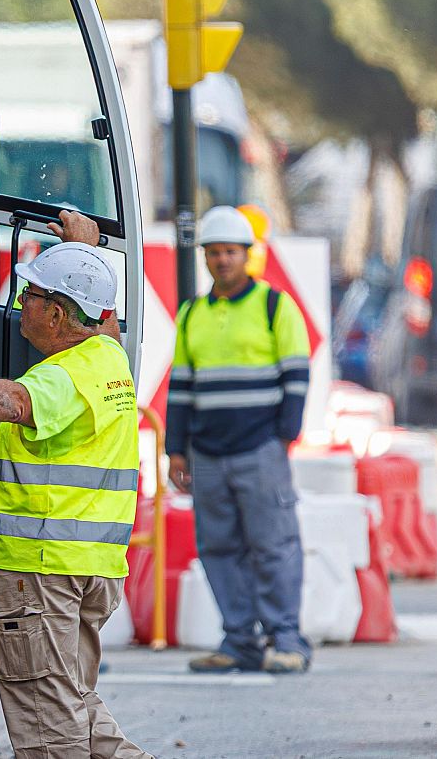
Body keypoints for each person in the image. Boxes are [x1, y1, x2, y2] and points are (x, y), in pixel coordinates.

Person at [0, 220, 151, 759]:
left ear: (57, 315)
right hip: (91, 567)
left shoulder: (62, 377)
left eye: (30, 295)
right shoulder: (108, 356)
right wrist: (82, 253)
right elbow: (102, 314)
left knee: (48, 723)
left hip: (42, 571)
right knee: (73, 701)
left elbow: (16, 402)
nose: (20, 304)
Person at [168, 205, 313, 674]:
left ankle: (286, 639)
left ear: (246, 255)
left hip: (260, 448)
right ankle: (239, 641)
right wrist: (175, 450)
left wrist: (283, 438)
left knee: (274, 546)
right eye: (214, 252)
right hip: (207, 453)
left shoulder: (275, 306)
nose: (222, 260)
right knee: (218, 549)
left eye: (230, 251)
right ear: (205, 257)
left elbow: (296, 375)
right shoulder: (192, 314)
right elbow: (181, 387)